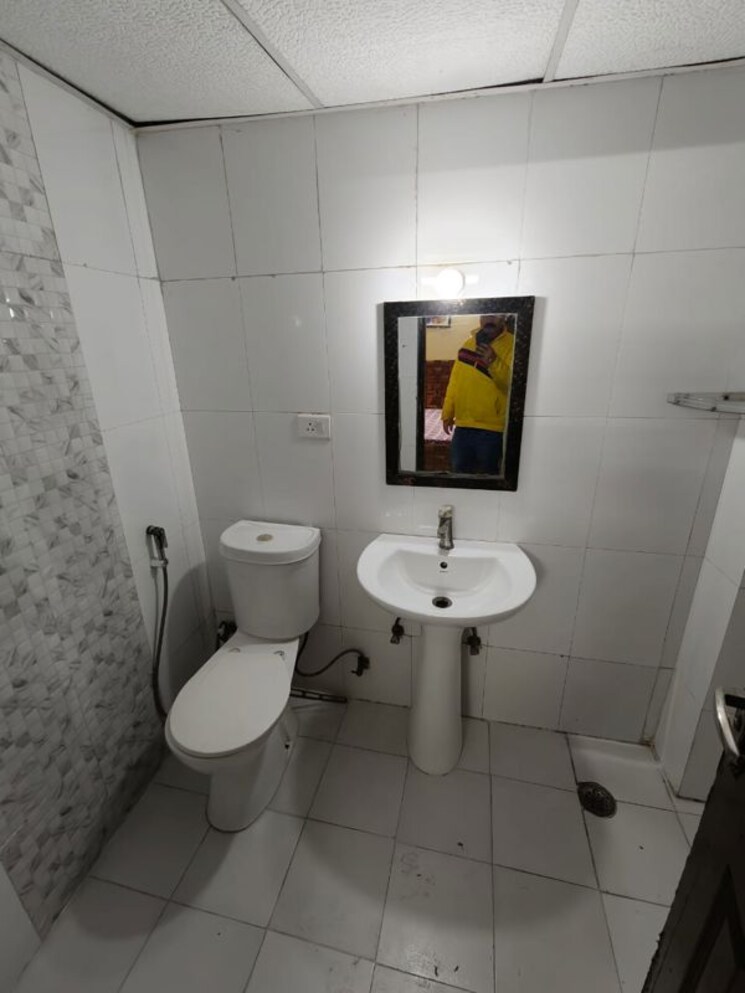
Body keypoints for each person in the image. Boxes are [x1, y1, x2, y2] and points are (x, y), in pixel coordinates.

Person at [441, 314, 514, 473]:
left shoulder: (513, 345)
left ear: (504, 317)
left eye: (495, 315)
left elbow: (512, 385)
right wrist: (447, 412)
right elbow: (455, 381)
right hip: (463, 426)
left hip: (492, 429)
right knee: (459, 477)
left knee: (488, 479)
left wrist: (494, 362)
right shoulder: (468, 344)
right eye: (486, 314)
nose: (489, 319)